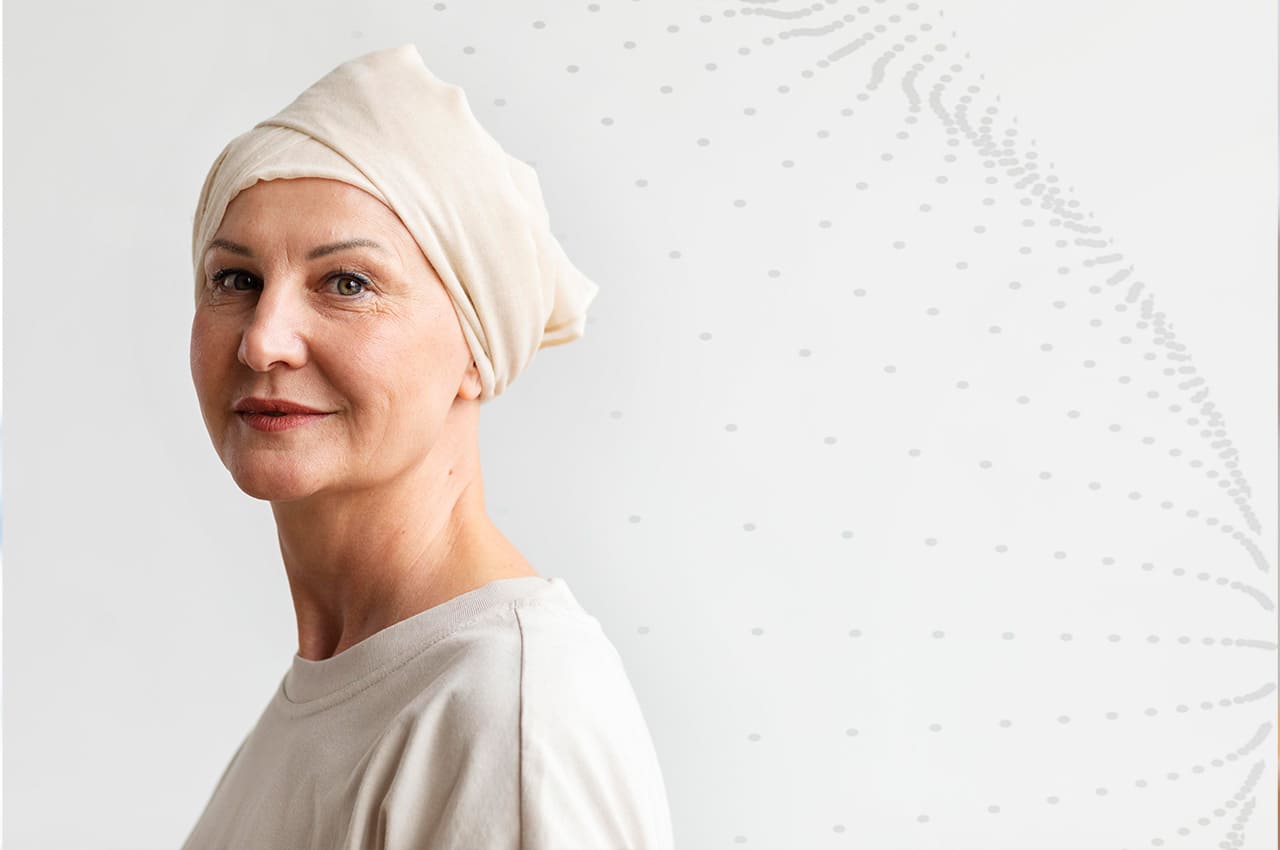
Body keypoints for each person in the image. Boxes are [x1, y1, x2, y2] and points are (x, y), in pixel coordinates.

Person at [179, 44, 674, 850]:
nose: (264, 340)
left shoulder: (505, 719)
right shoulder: (347, 690)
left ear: (475, 351)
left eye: (347, 283)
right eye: (235, 280)